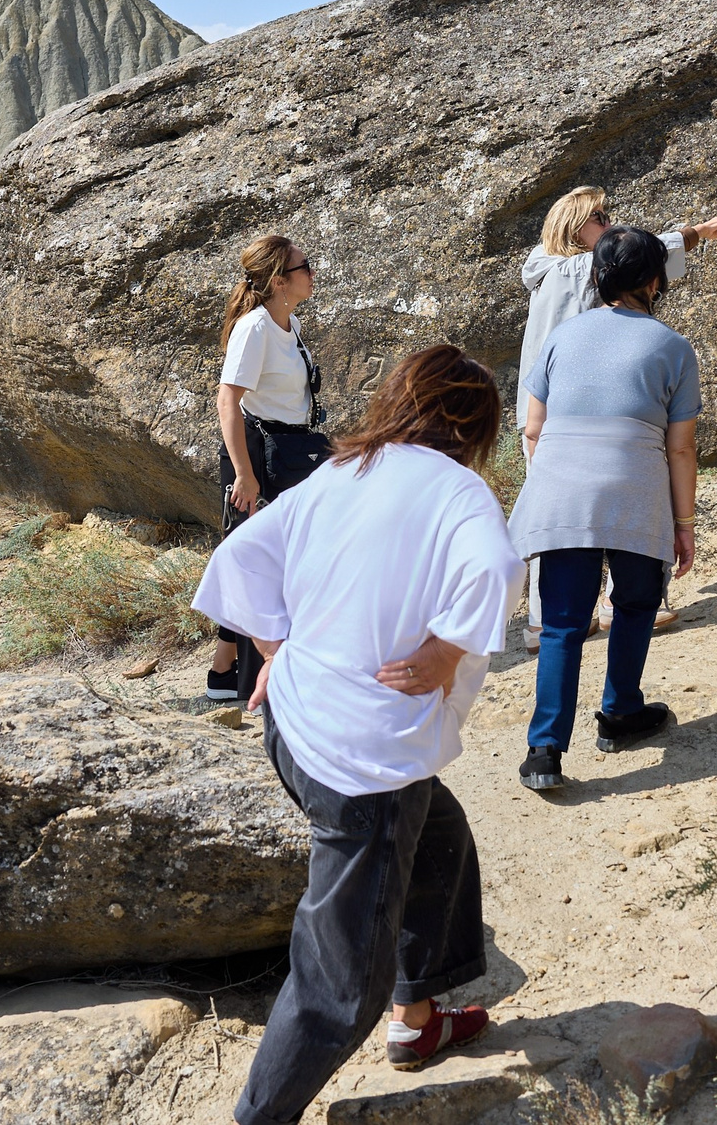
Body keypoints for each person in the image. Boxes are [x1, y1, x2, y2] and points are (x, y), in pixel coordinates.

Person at [193, 344, 522, 1125]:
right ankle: (259, 1117)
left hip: (295, 721)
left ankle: (420, 1015)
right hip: (362, 758)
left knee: (439, 833)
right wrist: (445, 650)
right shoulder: (460, 490)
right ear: (472, 425)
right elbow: (501, 571)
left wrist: (278, 649)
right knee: (341, 980)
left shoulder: (343, 469)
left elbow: (239, 556)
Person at [505, 228, 699, 790]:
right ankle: (619, 713)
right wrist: (683, 525)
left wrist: (562, 480)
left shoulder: (562, 337)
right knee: (635, 603)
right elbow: (680, 446)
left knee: (563, 625)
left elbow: (534, 428)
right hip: (634, 487)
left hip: (561, 488)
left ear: (599, 276)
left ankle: (544, 752)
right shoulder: (672, 346)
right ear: (654, 280)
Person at [515, 190, 717, 650]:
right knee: (627, 502)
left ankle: (545, 620)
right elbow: (642, 252)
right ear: (577, 226)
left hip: (544, 414)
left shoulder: (542, 270)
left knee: (556, 521)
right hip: (582, 416)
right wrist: (701, 231)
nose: (611, 224)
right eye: (602, 217)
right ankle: (628, 604)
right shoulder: (574, 270)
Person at [207, 234, 329, 705]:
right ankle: (246, 678)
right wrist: (244, 474)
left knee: (268, 563)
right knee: (254, 565)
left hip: (292, 450)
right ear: (280, 280)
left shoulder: (288, 323)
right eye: (306, 266)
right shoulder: (255, 327)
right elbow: (227, 400)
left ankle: (225, 671)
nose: (312, 272)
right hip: (257, 456)